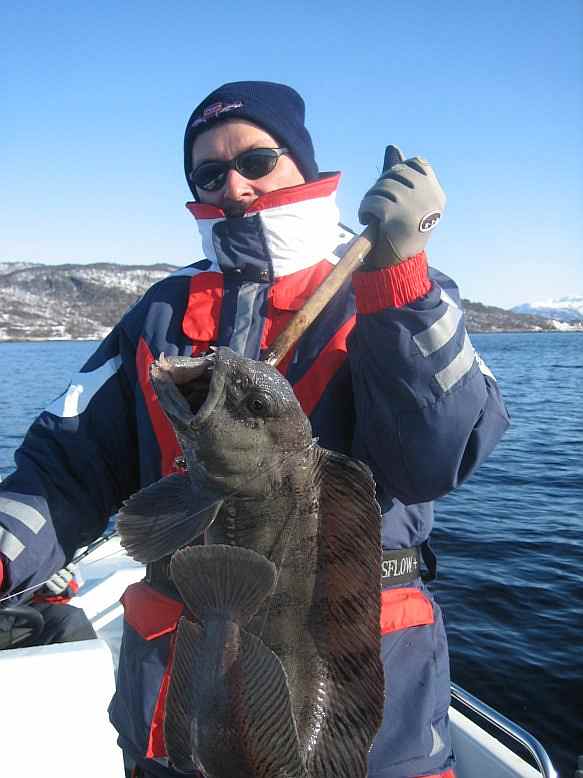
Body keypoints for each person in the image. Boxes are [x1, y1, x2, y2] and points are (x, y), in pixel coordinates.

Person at [0, 81, 509, 778]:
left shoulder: (395, 287)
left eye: (257, 159)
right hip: (187, 658)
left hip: (357, 660)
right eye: (209, 172)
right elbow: (68, 465)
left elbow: (433, 460)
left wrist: (399, 283)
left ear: (301, 162)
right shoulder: (159, 313)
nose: (233, 184)